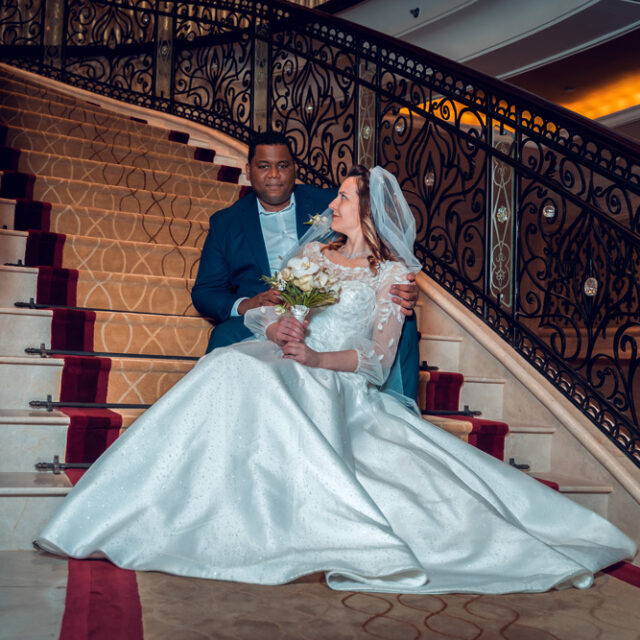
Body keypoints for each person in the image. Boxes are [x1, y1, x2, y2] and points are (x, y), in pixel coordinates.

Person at [35, 165, 635, 595]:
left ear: (368, 212)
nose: (333, 203)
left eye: (346, 196)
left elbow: (375, 361)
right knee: (228, 364)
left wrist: (316, 360)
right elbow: (276, 310)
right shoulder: (311, 256)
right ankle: (169, 505)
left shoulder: (393, 277)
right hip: (287, 357)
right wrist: (279, 332)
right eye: (341, 194)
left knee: (274, 384)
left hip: (338, 378)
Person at [191, 131, 420, 399]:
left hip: (337, 330)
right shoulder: (227, 222)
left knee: (403, 320)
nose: (274, 174)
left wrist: (403, 288)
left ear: (295, 169)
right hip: (272, 313)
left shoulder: (326, 201)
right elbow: (206, 292)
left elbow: (382, 237)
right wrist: (249, 305)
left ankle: (398, 404)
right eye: (264, 166)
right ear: (248, 171)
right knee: (225, 344)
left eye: (283, 165)